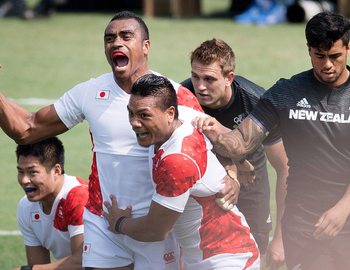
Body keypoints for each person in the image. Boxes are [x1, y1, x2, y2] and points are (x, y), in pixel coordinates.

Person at [0, 10, 238, 270]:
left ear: (145, 47)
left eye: (126, 36)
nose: (116, 43)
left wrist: (232, 175)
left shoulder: (174, 96)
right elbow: (27, 128)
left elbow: (216, 143)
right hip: (103, 220)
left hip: (155, 227)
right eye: (109, 38)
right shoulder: (91, 92)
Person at [193, 12, 350, 270]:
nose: (327, 64)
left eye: (335, 56)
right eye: (319, 56)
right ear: (308, 50)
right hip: (302, 225)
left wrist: (342, 210)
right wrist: (214, 132)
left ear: (348, 48)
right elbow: (241, 142)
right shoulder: (285, 94)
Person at [103, 74, 260, 269]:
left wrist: (119, 223)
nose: (134, 123)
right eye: (131, 113)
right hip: (204, 259)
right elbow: (221, 142)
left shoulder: (177, 161)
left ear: (170, 113)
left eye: (144, 115)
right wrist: (234, 170)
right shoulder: (186, 116)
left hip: (227, 259)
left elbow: (156, 230)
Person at [180, 38, 288, 269]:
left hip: (251, 191)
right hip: (198, 192)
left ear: (229, 78)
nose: (200, 87)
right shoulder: (183, 98)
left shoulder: (257, 102)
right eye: (195, 77)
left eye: (209, 79)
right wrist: (236, 165)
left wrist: (280, 237)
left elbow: (284, 168)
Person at [13, 136, 88, 270]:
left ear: (56, 171)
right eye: (20, 172)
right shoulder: (26, 206)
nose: (24, 180)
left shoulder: (78, 197)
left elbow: (83, 263)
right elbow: (39, 265)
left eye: (32, 172)